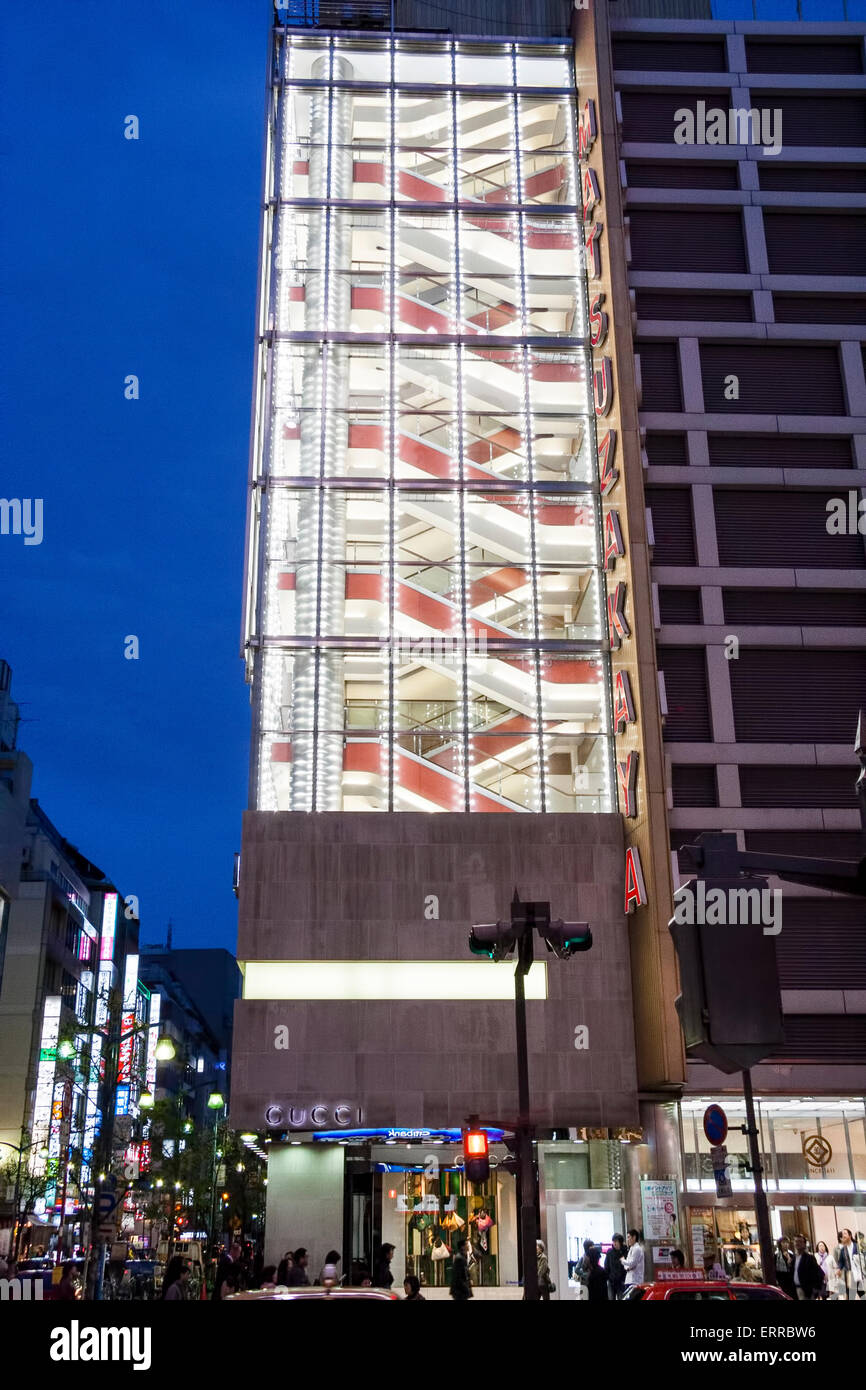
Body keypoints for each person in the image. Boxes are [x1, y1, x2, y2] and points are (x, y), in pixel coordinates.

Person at [792, 1235, 823, 1301]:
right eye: (795, 1241)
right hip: (795, 1290)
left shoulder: (809, 1258)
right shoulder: (793, 1258)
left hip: (806, 1290)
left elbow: (819, 1273)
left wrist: (815, 1289)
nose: (797, 1243)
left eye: (800, 1241)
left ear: (804, 1244)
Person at [621, 1229, 645, 1295]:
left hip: (635, 1281)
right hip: (628, 1279)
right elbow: (628, 1265)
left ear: (634, 1237)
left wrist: (623, 1260)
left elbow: (632, 1263)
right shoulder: (631, 1248)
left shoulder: (637, 1249)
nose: (627, 1240)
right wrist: (627, 1267)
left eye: (629, 1237)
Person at [605, 1234, 626, 1300]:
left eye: (616, 1241)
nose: (614, 1243)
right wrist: (609, 1277)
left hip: (622, 1282)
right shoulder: (609, 1252)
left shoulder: (625, 1251)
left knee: (622, 1298)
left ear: (620, 1242)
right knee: (611, 1298)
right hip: (611, 1281)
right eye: (613, 1241)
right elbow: (606, 1266)